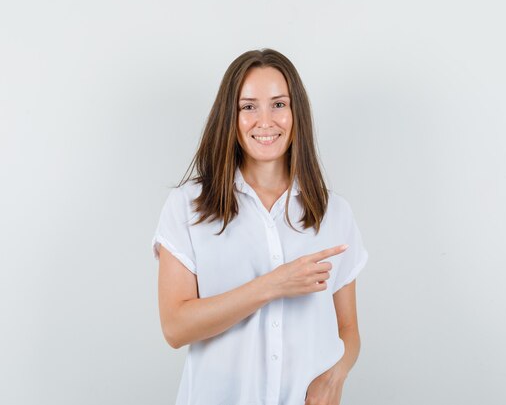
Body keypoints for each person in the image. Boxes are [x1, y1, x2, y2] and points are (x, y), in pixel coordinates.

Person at [151, 48, 369, 405]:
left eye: (279, 104)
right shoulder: (188, 207)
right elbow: (175, 327)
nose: (265, 121)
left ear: (297, 113)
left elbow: (349, 330)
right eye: (249, 106)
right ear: (230, 117)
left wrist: (336, 376)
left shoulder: (334, 213)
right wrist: (272, 285)